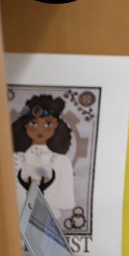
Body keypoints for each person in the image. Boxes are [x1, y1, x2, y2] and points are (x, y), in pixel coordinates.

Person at [11, 94, 80, 233]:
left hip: (51, 225)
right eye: (34, 123)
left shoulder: (62, 161)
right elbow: (9, 197)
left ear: (56, 126)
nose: (39, 130)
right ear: (25, 125)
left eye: (47, 123)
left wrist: (33, 194)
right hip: (17, 225)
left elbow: (68, 201)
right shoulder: (14, 159)